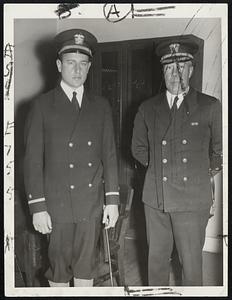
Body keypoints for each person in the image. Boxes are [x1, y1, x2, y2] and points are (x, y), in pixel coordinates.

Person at [24, 29, 119, 287]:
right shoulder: (42, 106)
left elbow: (109, 156)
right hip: (57, 206)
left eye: (83, 64)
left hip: (90, 204)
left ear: (89, 67)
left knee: (86, 270)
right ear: (58, 65)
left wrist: (112, 201)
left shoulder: (100, 106)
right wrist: (38, 207)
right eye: (70, 63)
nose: (77, 70)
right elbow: (32, 161)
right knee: (58, 272)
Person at [131, 36, 222, 286]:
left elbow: (219, 151)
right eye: (169, 67)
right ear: (163, 70)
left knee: (191, 265)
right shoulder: (147, 108)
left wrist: (200, 174)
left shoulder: (210, 106)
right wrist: (163, 168)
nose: (175, 74)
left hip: (192, 199)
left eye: (181, 66)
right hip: (155, 198)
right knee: (156, 261)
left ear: (191, 69)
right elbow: (137, 148)